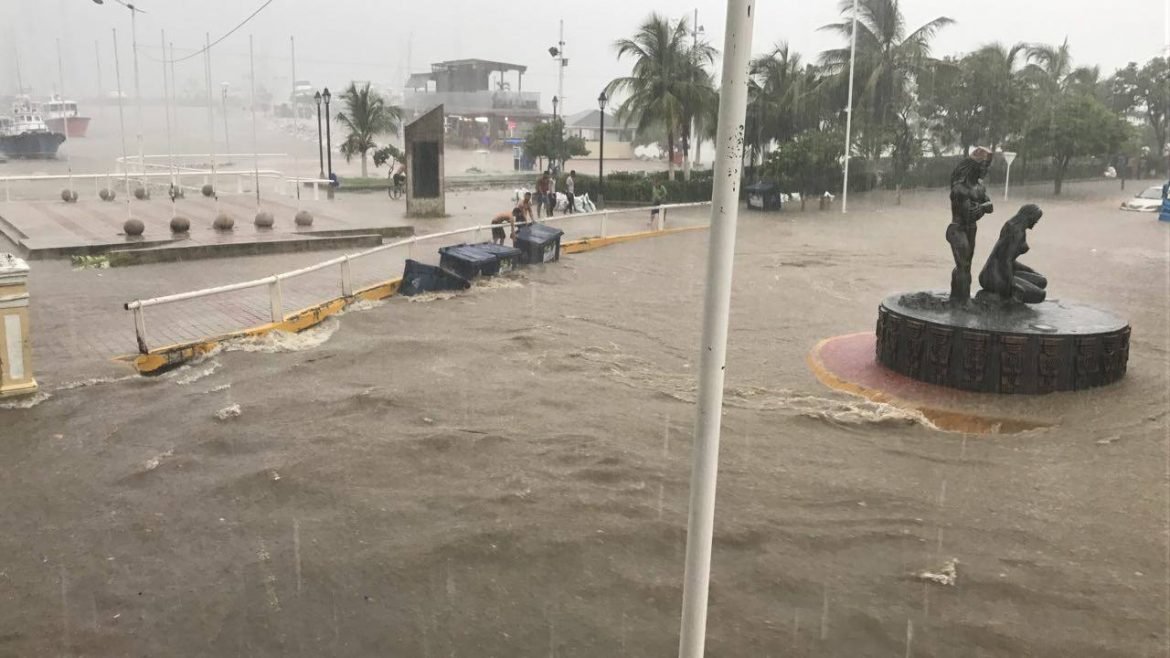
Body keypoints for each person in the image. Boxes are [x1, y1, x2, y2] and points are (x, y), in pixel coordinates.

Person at [946, 147, 994, 303]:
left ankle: (958, 298)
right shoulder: (960, 189)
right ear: (975, 166)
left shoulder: (979, 187)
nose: (986, 170)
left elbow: (990, 206)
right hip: (957, 230)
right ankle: (962, 300)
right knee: (963, 266)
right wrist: (983, 208)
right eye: (984, 165)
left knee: (966, 266)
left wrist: (983, 207)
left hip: (971, 229)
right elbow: (969, 215)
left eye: (988, 166)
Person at [978, 204, 1047, 304]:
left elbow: (1008, 260)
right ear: (1029, 216)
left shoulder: (1015, 227)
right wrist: (1011, 284)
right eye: (1036, 218)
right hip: (993, 276)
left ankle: (1009, 287)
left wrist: (1030, 271)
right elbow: (1005, 261)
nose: (1036, 221)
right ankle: (1003, 297)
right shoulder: (1016, 232)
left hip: (1000, 271)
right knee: (1040, 295)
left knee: (1042, 281)